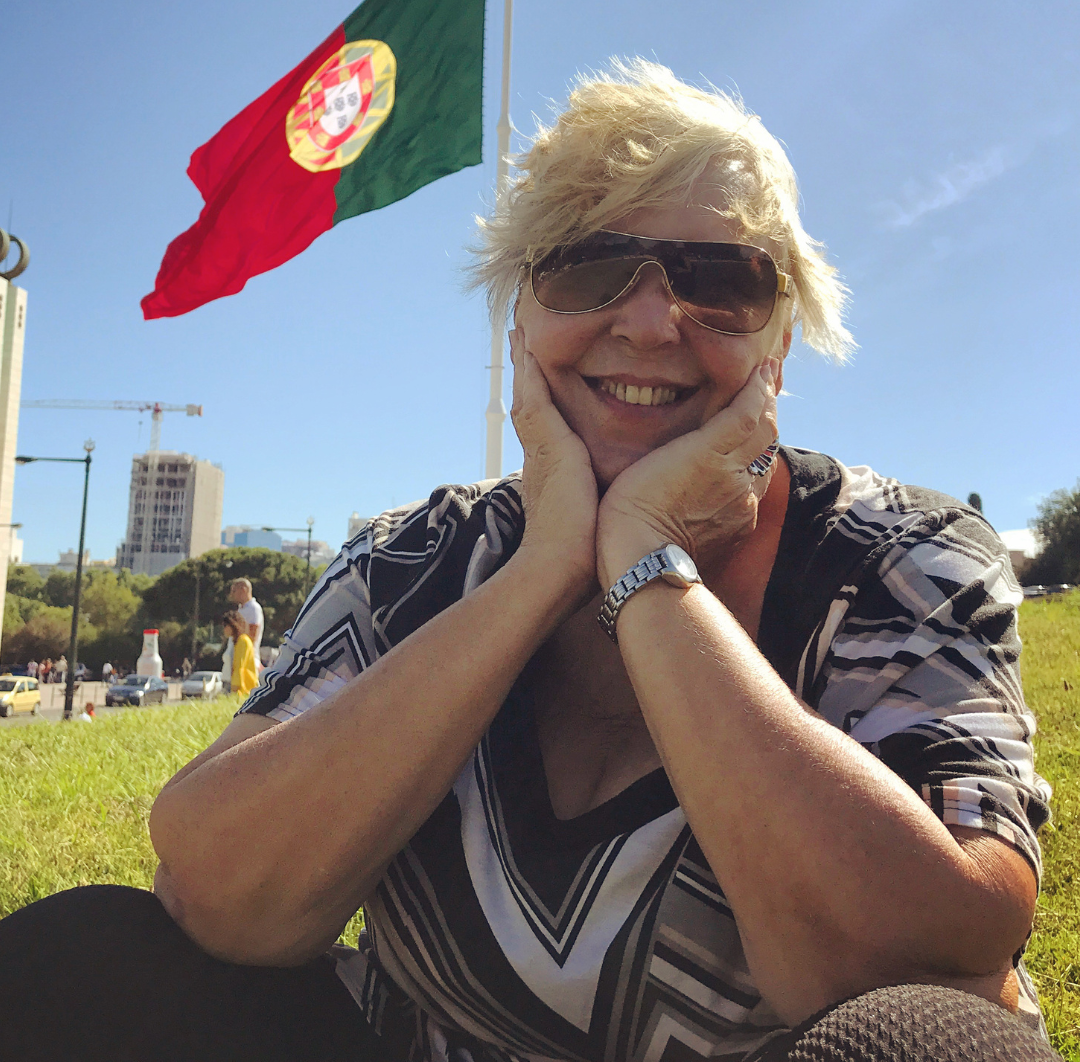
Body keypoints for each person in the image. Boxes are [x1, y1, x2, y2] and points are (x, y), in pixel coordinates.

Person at [0, 63, 1057, 1062]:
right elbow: (217, 889)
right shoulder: (411, 558)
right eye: (589, 266)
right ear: (522, 321)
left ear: (778, 344)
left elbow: (921, 963)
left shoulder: (899, 555)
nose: (650, 322)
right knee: (86, 960)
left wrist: (643, 565)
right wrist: (545, 568)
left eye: (721, 279)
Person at [221, 608, 259, 701]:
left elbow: (240, 666)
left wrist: (236, 687)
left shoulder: (243, 641)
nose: (224, 629)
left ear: (233, 625)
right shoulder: (236, 642)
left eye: (226, 625)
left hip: (242, 688)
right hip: (234, 684)